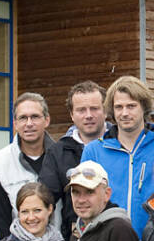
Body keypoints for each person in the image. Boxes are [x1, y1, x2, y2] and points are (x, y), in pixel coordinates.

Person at [81, 75, 154, 237]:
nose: (124, 113)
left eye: (131, 106)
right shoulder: (93, 151)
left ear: (144, 108)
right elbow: (84, 200)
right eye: (118, 107)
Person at [0, 93, 55, 233]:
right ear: (15, 124)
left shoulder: (62, 158)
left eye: (35, 117)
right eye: (23, 118)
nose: (29, 123)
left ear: (47, 120)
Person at [41, 80, 107, 211]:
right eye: (81, 110)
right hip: (76, 230)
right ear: (72, 115)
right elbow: (45, 200)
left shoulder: (120, 146)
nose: (88, 115)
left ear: (105, 111)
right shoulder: (57, 152)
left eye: (94, 109)